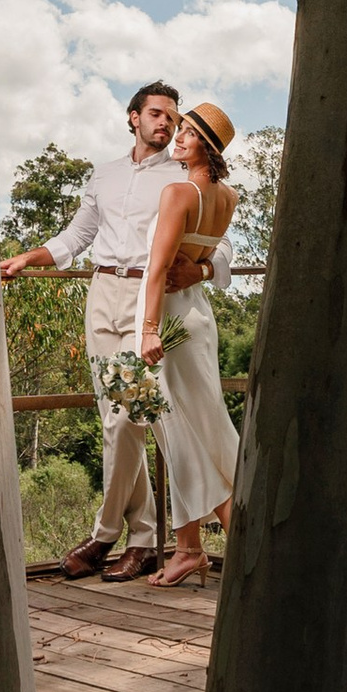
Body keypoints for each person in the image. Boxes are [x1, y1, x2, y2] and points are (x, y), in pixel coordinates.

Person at [0, 80, 179, 577]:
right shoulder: (105, 174)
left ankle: (104, 535)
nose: (165, 123)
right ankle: (144, 540)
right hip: (101, 295)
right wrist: (28, 258)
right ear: (134, 117)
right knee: (114, 421)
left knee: (128, 419)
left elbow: (210, 239)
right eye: (157, 114)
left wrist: (201, 268)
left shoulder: (182, 175)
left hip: (147, 299)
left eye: (172, 117)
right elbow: (77, 235)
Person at [139, 101, 241, 588]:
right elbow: (212, 254)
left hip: (171, 320)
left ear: (208, 147)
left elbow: (158, 268)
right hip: (198, 316)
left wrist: (147, 329)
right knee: (197, 427)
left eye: (189, 133)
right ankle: (189, 549)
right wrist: (200, 269)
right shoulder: (229, 197)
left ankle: (246, 543)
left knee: (190, 431)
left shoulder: (178, 192)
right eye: (180, 129)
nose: (178, 137)